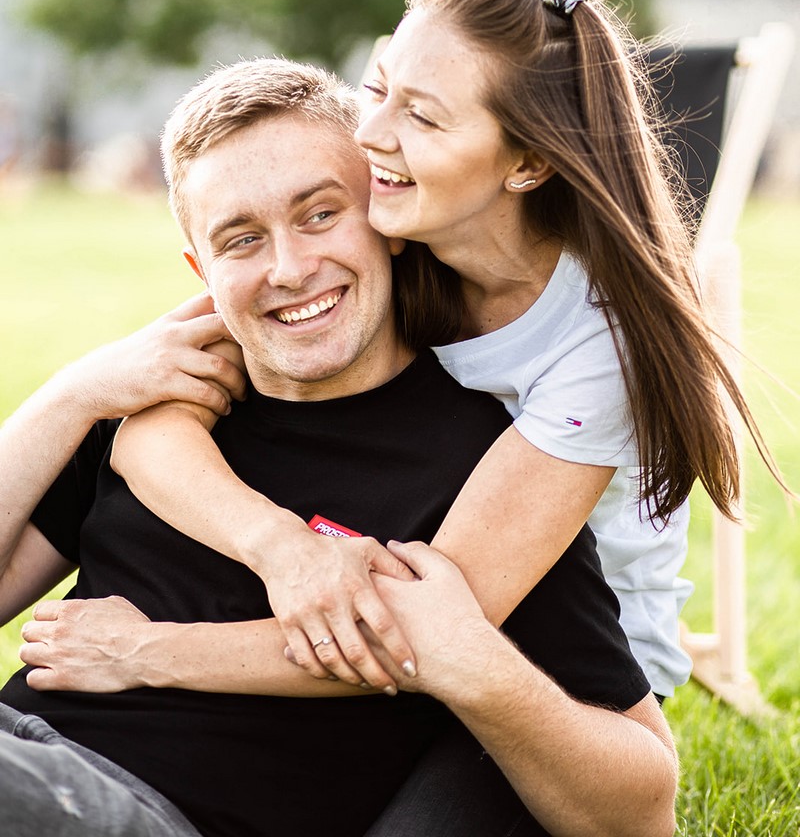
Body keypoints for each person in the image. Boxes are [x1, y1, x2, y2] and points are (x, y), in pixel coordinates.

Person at [112, 0, 785, 704]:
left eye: (421, 116)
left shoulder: (597, 347)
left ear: (528, 162)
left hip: (559, 671)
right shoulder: (390, 233)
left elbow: (428, 629)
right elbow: (155, 412)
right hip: (381, 608)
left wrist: (144, 654)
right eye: (379, 87)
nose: (369, 132)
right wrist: (279, 547)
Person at [0, 58, 677, 837]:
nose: (289, 269)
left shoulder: (486, 474)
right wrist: (72, 393)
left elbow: (641, 802)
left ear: (384, 222)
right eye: (241, 240)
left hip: (135, 813)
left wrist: (146, 653)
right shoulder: (160, 404)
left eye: (320, 215)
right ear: (202, 270)